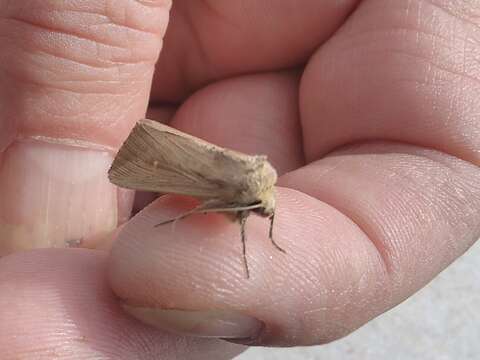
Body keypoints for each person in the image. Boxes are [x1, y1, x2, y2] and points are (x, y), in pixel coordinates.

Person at [0, 1, 478, 358]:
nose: (266, 216)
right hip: (187, 164)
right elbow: (229, 210)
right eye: (265, 213)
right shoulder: (246, 193)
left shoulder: (256, 188)